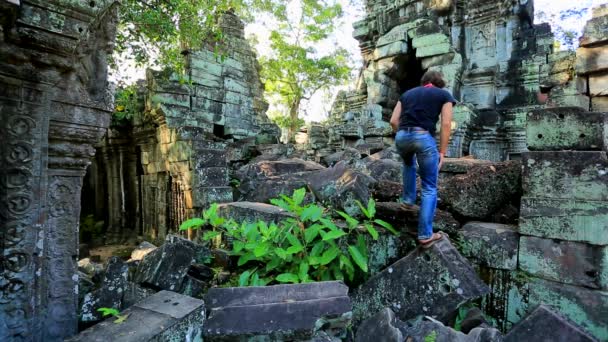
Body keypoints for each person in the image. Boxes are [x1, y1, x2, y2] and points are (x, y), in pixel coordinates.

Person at [389, 70, 455, 248]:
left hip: (402, 136)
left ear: (424, 82)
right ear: (439, 84)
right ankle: (426, 234)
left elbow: (394, 121)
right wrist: (442, 151)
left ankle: (408, 201)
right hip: (424, 137)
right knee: (429, 187)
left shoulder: (407, 94)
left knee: (408, 163)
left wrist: (404, 136)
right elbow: (447, 124)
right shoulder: (443, 95)